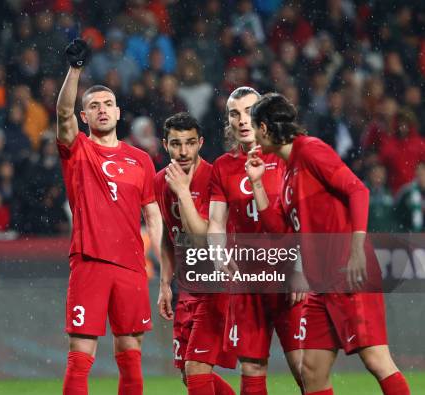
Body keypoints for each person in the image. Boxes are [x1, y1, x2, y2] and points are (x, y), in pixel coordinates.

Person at [245, 93, 410, 395]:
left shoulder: (311, 150)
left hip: (348, 271)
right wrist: (256, 183)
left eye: (255, 127)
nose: (253, 136)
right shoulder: (286, 173)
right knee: (312, 372)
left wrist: (357, 249)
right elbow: (280, 233)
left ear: (265, 128)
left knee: (376, 359)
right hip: (320, 286)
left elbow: (357, 190)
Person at [57, 39, 163, 395]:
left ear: (118, 113)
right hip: (90, 260)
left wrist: (163, 262)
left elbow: (152, 214)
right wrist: (75, 72)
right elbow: (62, 115)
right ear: (84, 116)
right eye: (93, 106)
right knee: (80, 353)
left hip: (132, 265)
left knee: (131, 353)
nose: (102, 110)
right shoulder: (78, 150)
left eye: (108, 104)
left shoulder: (141, 160)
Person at [207, 87, 305, 395]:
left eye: (249, 111)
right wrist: (219, 256)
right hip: (248, 282)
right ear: (228, 121)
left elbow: (305, 215)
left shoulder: (285, 155)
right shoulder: (222, 167)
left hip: (287, 275)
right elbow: (215, 223)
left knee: (305, 369)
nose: (242, 120)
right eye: (235, 113)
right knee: (252, 368)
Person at [154, 112, 235, 395]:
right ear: (165, 145)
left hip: (218, 285)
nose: (183, 151)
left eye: (190, 143)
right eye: (176, 144)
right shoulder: (159, 181)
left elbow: (202, 239)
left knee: (197, 369)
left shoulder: (214, 177)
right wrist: (165, 283)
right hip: (187, 288)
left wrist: (183, 192)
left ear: (200, 143)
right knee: (189, 375)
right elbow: (168, 234)